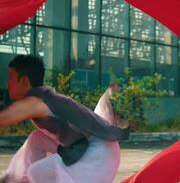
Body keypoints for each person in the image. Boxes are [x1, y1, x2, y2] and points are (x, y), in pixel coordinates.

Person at [0, 55, 128, 183]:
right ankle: (17, 179)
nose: (7, 83)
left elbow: (4, 118)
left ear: (24, 81)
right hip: (92, 146)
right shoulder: (43, 96)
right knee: (36, 138)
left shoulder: (36, 102)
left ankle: (25, 179)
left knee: (37, 171)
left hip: (99, 155)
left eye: (11, 78)